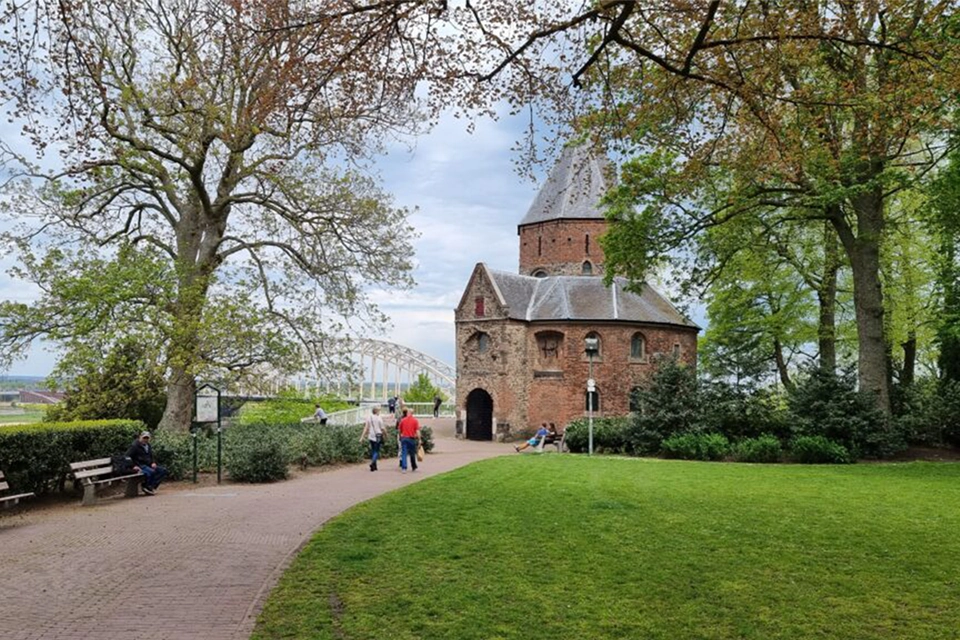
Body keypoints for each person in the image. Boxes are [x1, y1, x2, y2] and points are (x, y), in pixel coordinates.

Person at [126, 431, 168, 495]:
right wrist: (133, 466)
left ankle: (151, 486)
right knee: (151, 472)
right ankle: (146, 486)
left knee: (163, 471)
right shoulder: (134, 446)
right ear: (140, 437)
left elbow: (151, 456)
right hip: (139, 465)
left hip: (148, 464)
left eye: (147, 438)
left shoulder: (148, 445)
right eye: (144, 438)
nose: (145, 440)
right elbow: (127, 457)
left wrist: (153, 462)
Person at [359, 407, 386, 472]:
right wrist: (386, 435)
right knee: (376, 451)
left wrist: (362, 437)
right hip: (378, 436)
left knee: (373, 450)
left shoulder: (369, 418)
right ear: (376, 412)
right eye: (379, 411)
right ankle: (372, 462)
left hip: (371, 436)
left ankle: (374, 466)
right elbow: (383, 428)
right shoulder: (379, 418)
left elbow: (366, 428)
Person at [397, 408, 421, 473]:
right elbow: (417, 431)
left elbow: (399, 430)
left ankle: (404, 468)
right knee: (412, 453)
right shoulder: (415, 421)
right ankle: (413, 466)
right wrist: (419, 439)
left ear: (407, 413)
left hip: (404, 438)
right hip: (411, 438)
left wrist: (400, 436)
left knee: (404, 453)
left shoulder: (402, 420)